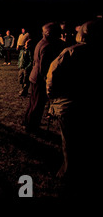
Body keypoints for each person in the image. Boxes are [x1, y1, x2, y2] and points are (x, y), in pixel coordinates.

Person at [46, 20, 103, 196]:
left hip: (70, 106)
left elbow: (52, 78)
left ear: (83, 35)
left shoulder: (71, 52)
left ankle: (69, 172)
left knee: (70, 141)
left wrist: (53, 97)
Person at [22, 22, 64, 133]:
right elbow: (43, 67)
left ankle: (27, 122)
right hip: (40, 79)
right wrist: (47, 80)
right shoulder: (47, 46)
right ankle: (32, 126)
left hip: (35, 77)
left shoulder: (43, 42)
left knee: (33, 102)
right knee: (37, 104)